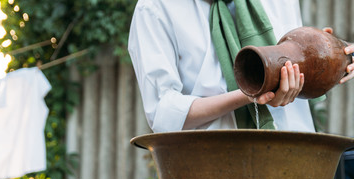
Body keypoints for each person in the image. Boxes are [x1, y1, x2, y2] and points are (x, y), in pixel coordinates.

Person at [128, 0, 354, 133]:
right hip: (209, 169)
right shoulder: (155, 7)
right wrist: (250, 94)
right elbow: (164, 113)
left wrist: (332, 56)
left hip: (293, 158)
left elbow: (298, 57)